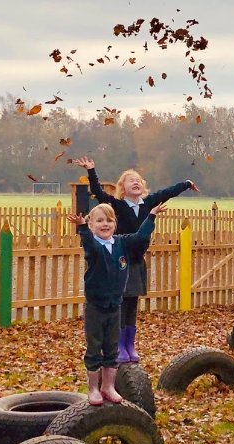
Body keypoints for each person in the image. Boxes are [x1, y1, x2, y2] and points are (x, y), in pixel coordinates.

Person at [76, 156, 196, 364]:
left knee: (133, 303)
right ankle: (119, 345)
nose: (136, 182)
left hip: (137, 262)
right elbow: (98, 192)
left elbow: (168, 193)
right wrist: (91, 171)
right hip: (120, 259)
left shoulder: (149, 203)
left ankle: (130, 344)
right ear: (122, 187)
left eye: (139, 179)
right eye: (131, 179)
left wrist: (186, 184)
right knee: (121, 302)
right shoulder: (117, 205)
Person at [68, 202, 164, 405]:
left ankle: (108, 387)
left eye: (109, 220)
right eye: (99, 221)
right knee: (95, 347)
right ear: (92, 225)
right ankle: (93, 388)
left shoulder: (121, 243)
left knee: (112, 348)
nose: (105, 224)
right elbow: (88, 244)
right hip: (96, 307)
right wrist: (82, 228)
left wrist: (151, 217)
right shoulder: (94, 246)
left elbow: (140, 237)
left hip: (115, 306)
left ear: (115, 224)